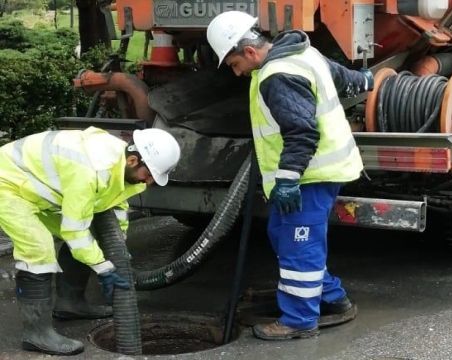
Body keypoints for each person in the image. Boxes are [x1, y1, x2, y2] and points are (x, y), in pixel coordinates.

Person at [207, 11, 372, 340]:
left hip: (310, 175)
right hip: (317, 171)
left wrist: (286, 180)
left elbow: (302, 133)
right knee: (282, 234)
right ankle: (331, 297)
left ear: (250, 52)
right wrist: (367, 80)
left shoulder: (277, 76)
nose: (236, 72)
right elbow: (340, 77)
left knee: (300, 244)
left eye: (233, 64)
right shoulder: (302, 53)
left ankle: (299, 320)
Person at [0, 126, 181, 355]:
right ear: (134, 160)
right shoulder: (89, 170)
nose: (149, 182)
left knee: (90, 239)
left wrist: (119, 248)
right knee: (38, 250)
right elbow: (75, 230)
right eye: (150, 175)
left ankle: (70, 303)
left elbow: (114, 204)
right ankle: (36, 333)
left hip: (40, 189)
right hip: (8, 183)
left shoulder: (121, 164)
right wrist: (103, 268)